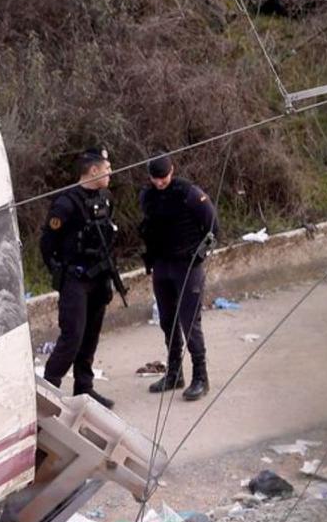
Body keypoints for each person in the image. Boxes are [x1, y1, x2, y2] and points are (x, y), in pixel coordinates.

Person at [39, 148, 119, 409]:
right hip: (75, 279)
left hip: (99, 277)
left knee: (91, 336)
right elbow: (47, 244)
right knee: (72, 336)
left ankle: (84, 388)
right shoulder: (66, 204)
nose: (110, 172)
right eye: (106, 168)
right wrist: (59, 272)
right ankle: (49, 390)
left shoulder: (105, 198)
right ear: (93, 170)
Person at [139, 155, 220, 402]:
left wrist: (200, 255)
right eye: (156, 179)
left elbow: (212, 225)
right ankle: (174, 373)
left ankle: (200, 377)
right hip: (162, 265)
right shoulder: (147, 196)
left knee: (189, 322)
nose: (161, 183)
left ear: (171, 171)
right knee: (168, 320)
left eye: (164, 178)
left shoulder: (189, 192)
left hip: (187, 265)